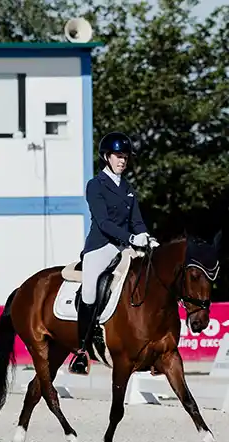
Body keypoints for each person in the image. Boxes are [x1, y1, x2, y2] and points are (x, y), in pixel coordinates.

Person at [68, 132, 159, 375]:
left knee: (150, 278)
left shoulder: (128, 188)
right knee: (89, 291)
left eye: (126, 158)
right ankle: (81, 352)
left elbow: (137, 221)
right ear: (107, 157)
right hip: (100, 246)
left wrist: (146, 237)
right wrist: (130, 238)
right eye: (119, 157)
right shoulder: (95, 185)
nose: (123, 161)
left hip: (124, 247)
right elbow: (103, 221)